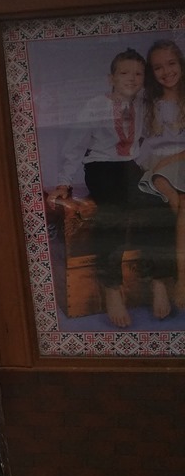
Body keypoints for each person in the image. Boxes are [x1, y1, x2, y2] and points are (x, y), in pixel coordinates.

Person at [50, 47, 171, 327]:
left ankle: (159, 281)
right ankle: (112, 287)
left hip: (132, 166)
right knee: (114, 211)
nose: (132, 78)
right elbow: (75, 146)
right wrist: (64, 182)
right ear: (111, 78)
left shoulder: (144, 104)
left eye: (138, 73)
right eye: (124, 73)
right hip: (102, 166)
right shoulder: (95, 105)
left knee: (158, 205)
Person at [137, 39, 185, 307]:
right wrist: (155, 167)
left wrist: (168, 163)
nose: (167, 71)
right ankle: (175, 279)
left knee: (183, 205)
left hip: (179, 162)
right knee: (174, 202)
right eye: (158, 68)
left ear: (181, 64)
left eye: (171, 63)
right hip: (159, 166)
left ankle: (181, 281)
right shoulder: (150, 102)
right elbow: (145, 146)